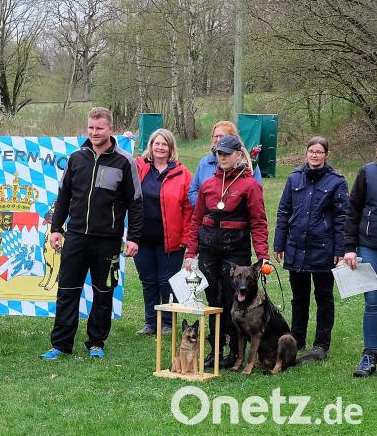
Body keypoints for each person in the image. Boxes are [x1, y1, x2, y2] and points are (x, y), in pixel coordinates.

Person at [40, 107, 142, 360]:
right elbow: (63, 196)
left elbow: (136, 203)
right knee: (67, 290)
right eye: (91, 128)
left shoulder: (124, 161)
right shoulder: (76, 158)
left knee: (104, 292)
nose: (94, 133)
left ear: (110, 129)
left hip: (107, 241)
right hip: (75, 236)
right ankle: (61, 344)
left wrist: (133, 237)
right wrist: (56, 229)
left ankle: (96, 342)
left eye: (100, 128)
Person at [183, 135, 270, 370]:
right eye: (219, 154)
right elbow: (196, 220)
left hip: (235, 252)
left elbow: (259, 222)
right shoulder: (208, 184)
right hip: (209, 251)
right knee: (213, 301)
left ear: (239, 155)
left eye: (226, 153)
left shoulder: (250, 185)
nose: (221, 157)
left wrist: (263, 256)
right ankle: (216, 350)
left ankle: (234, 352)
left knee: (231, 300)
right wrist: (191, 252)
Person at [274, 137, 347, 364]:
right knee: (299, 297)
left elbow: (342, 218)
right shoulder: (295, 177)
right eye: (311, 151)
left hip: (323, 248)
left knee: (324, 297)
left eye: (319, 152)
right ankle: (297, 338)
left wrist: (341, 249)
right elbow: (284, 211)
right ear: (306, 153)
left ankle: (321, 344)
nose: (314, 155)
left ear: (326, 155)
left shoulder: (337, 182)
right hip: (296, 246)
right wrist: (279, 243)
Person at [133, 129, 192, 336]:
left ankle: (168, 322)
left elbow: (189, 208)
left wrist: (186, 237)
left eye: (164, 144)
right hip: (141, 238)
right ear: (150, 146)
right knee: (148, 281)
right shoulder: (139, 167)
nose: (160, 147)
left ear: (170, 148)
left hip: (171, 240)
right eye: (156, 143)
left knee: (167, 282)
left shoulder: (182, 174)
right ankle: (150, 322)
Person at [344, 149, 377, 377]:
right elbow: (353, 210)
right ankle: (370, 354)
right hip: (369, 244)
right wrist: (349, 248)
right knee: (373, 300)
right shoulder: (367, 172)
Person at [188, 121, 262, 206]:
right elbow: (193, 191)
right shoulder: (204, 163)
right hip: (207, 216)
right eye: (216, 136)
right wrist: (205, 208)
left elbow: (256, 195)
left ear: (233, 138)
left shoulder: (248, 164)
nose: (218, 140)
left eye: (222, 136)